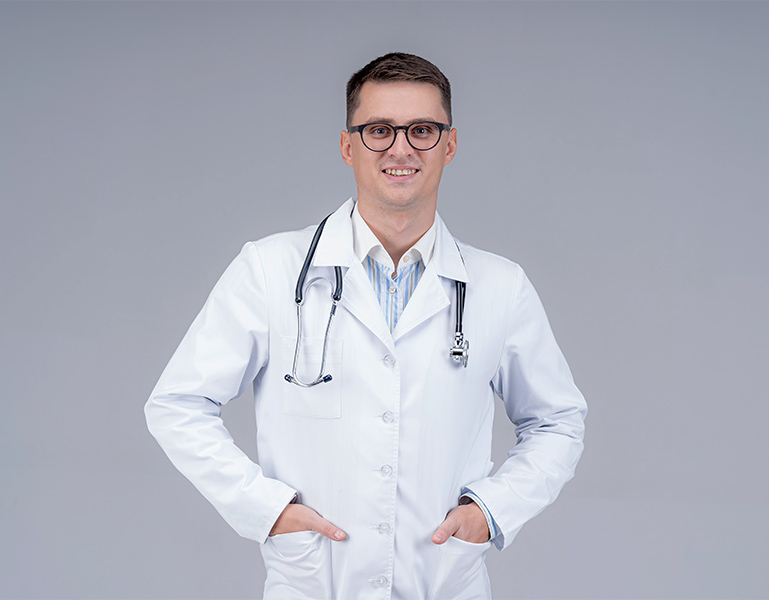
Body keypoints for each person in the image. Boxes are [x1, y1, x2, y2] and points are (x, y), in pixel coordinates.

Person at [145, 52, 587, 599]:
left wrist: (489, 513)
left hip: (444, 581)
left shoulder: (501, 285)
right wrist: (266, 510)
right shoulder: (269, 269)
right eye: (379, 130)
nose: (401, 148)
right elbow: (177, 404)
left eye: (422, 130)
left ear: (450, 145)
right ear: (347, 145)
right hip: (315, 581)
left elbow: (558, 423)